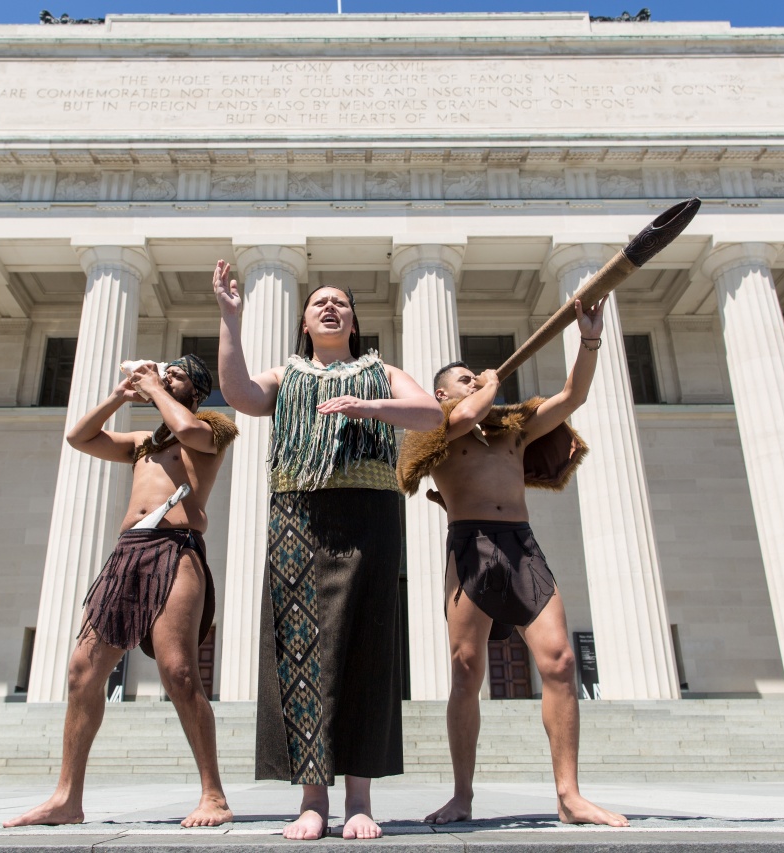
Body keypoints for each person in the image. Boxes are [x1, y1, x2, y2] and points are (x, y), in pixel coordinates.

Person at [213, 259, 442, 840]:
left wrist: (369, 407)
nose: (330, 307)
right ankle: (313, 801)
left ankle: (359, 801)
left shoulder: (380, 371)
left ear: (354, 321)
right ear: (306, 322)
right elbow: (239, 395)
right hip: (298, 515)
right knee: (299, 650)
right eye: (320, 303)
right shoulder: (286, 375)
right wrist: (230, 321)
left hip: (369, 516)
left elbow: (431, 413)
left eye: (340, 301)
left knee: (368, 646)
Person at [396, 297, 628, 828]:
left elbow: (574, 395)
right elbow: (466, 417)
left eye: (474, 376)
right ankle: (462, 795)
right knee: (465, 670)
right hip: (470, 545)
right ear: (441, 394)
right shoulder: (435, 430)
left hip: (520, 544)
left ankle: (569, 796)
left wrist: (588, 339)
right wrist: (487, 387)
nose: (472, 381)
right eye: (462, 378)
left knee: (560, 662)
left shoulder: (513, 430)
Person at [6, 355, 238, 829]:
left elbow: (189, 433)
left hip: (176, 550)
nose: (164, 375)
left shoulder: (212, 430)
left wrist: (155, 388)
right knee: (81, 672)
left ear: (196, 389)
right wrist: (119, 396)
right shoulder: (141, 444)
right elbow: (78, 438)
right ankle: (67, 798)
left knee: (179, 672)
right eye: (162, 371)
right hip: (129, 553)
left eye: (175, 373)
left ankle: (212, 794)